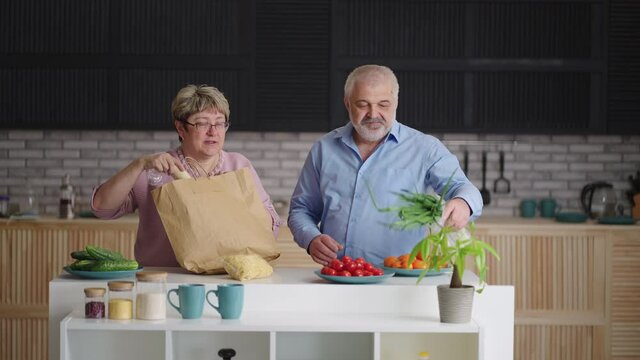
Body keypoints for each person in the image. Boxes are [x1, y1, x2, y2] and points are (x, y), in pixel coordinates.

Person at [288, 65, 482, 266]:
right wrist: (310, 238)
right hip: (339, 275)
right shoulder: (324, 149)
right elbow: (301, 210)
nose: (373, 113)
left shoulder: (425, 148)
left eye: (383, 104)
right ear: (348, 104)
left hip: (402, 278)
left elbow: (463, 188)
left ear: (396, 103)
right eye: (363, 104)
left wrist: (463, 203)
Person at [92, 84, 281, 267]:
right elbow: (102, 208)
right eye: (202, 123)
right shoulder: (156, 169)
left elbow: (272, 227)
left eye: (219, 123)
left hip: (225, 276)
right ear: (181, 128)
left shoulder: (239, 166)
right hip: (162, 277)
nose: (213, 131)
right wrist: (139, 164)